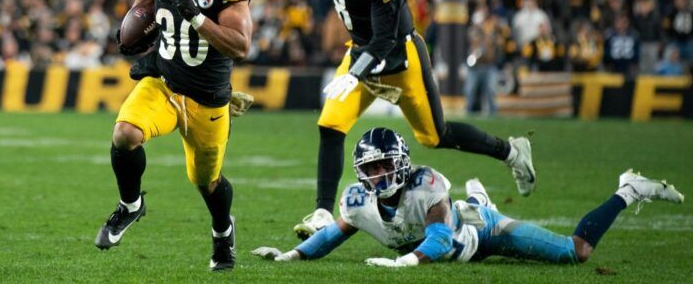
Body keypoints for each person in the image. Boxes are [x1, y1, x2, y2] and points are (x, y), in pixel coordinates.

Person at [272, 0, 536, 240]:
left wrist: (354, 74)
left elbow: (384, 40)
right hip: (361, 52)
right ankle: (322, 211)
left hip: (399, 59)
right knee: (330, 123)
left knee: (434, 136)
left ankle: (512, 152)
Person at [94, 0, 257, 271]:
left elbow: (241, 45)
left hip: (208, 99)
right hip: (165, 83)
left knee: (206, 181)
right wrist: (135, 29)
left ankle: (222, 232)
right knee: (124, 133)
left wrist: (197, 16)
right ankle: (131, 206)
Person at [252, 128, 685, 266]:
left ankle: (628, 189)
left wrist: (406, 261)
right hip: (462, 237)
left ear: (402, 163)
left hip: (482, 234)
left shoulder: (426, 185)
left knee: (577, 253)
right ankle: (481, 199)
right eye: (371, 168)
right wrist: (291, 256)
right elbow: (332, 235)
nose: (378, 174)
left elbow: (440, 239)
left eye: (386, 165)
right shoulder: (357, 199)